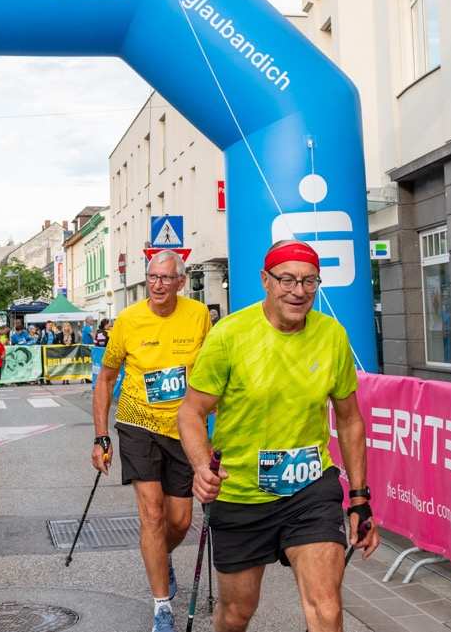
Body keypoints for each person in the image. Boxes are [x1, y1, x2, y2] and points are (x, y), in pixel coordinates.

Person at [177, 240, 380, 632]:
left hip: (310, 489)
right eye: (287, 279)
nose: (298, 291)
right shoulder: (230, 335)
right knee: (237, 613)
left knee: (326, 607)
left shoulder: (331, 335)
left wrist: (359, 498)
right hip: (240, 492)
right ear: (265, 281)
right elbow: (191, 411)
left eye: (308, 281)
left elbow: (350, 420)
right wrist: (202, 466)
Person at [93, 250, 212, 632]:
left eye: (166, 278)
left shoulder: (198, 316)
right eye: (153, 278)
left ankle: (161, 555)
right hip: (137, 422)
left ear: (181, 282)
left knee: (180, 520)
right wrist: (101, 436)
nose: (158, 285)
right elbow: (106, 379)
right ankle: (162, 606)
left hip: (183, 428)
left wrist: (216, 430)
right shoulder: (128, 321)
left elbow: (212, 373)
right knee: (153, 514)